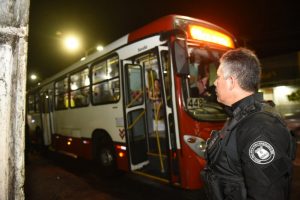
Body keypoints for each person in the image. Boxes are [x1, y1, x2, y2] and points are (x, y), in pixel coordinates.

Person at [202, 48, 294, 200]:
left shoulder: (259, 127)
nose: (215, 82)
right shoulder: (240, 116)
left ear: (231, 81)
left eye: (218, 77)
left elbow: (267, 194)